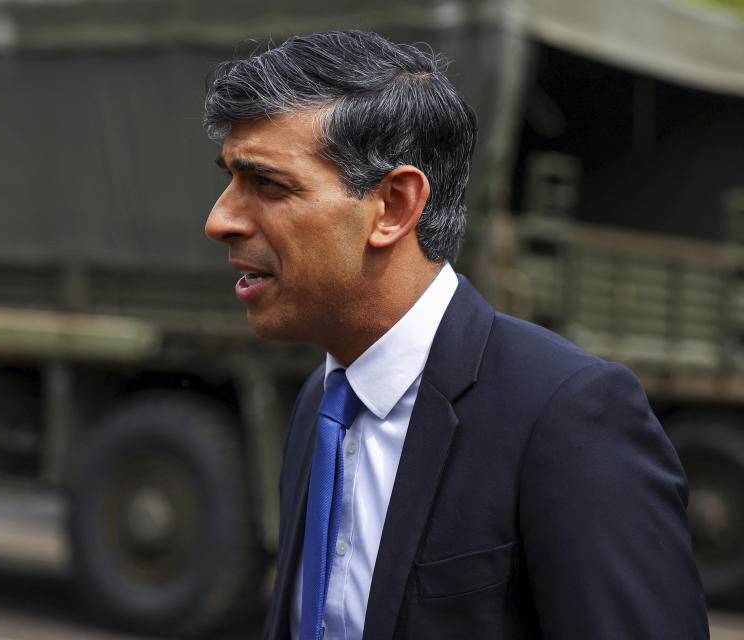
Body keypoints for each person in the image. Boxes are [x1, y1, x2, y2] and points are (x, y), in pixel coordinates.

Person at [203, 29, 708, 640]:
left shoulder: (568, 415)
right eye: (230, 179)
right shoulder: (323, 402)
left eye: (268, 185)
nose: (220, 220)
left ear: (393, 206)